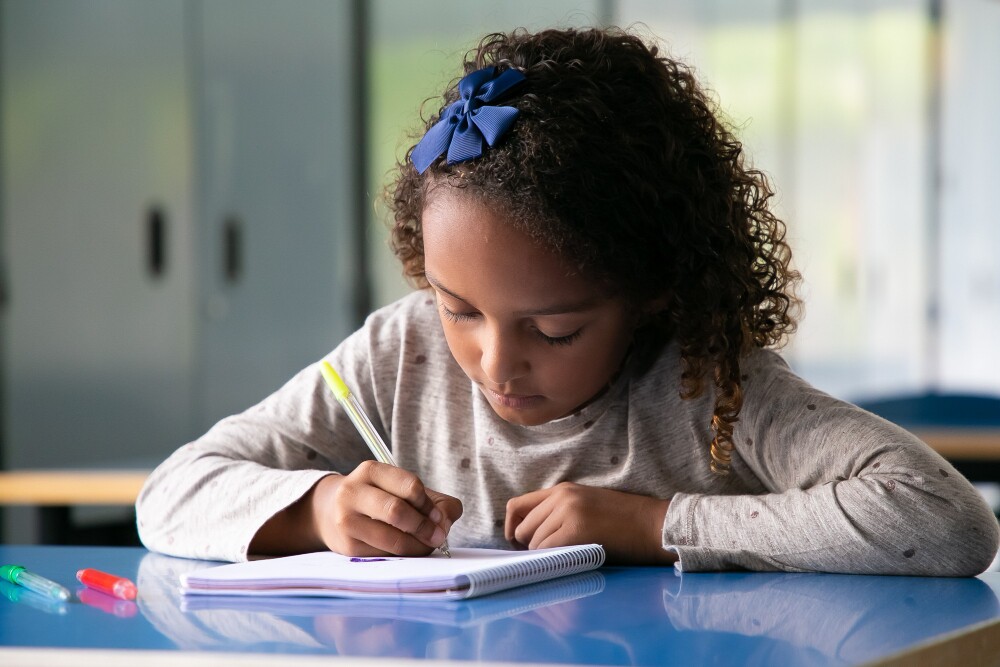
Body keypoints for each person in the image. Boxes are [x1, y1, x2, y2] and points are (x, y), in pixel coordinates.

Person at [136, 26, 999, 574]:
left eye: (554, 329)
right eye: (459, 307)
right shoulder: (399, 357)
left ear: (652, 292)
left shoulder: (708, 387)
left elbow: (946, 522)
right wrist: (319, 510)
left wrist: (654, 524)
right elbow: (171, 493)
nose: (495, 363)